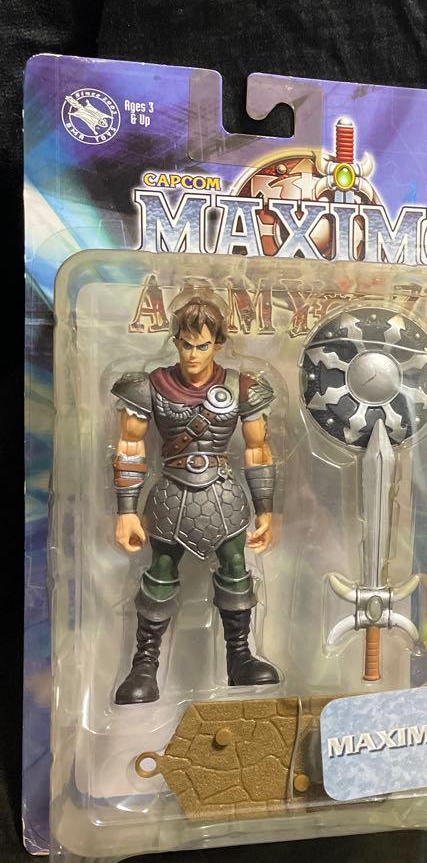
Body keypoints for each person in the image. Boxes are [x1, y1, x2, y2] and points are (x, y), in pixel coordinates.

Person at [110, 296, 280, 704]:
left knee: (236, 569)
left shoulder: (241, 387)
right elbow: (130, 446)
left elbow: (258, 449)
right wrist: (126, 511)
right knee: (160, 572)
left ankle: (240, 658)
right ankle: (143, 666)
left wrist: (265, 510)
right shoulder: (149, 386)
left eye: (202, 346)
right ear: (175, 341)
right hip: (171, 492)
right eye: (186, 344)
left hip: (224, 494)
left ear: (217, 344)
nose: (192, 354)